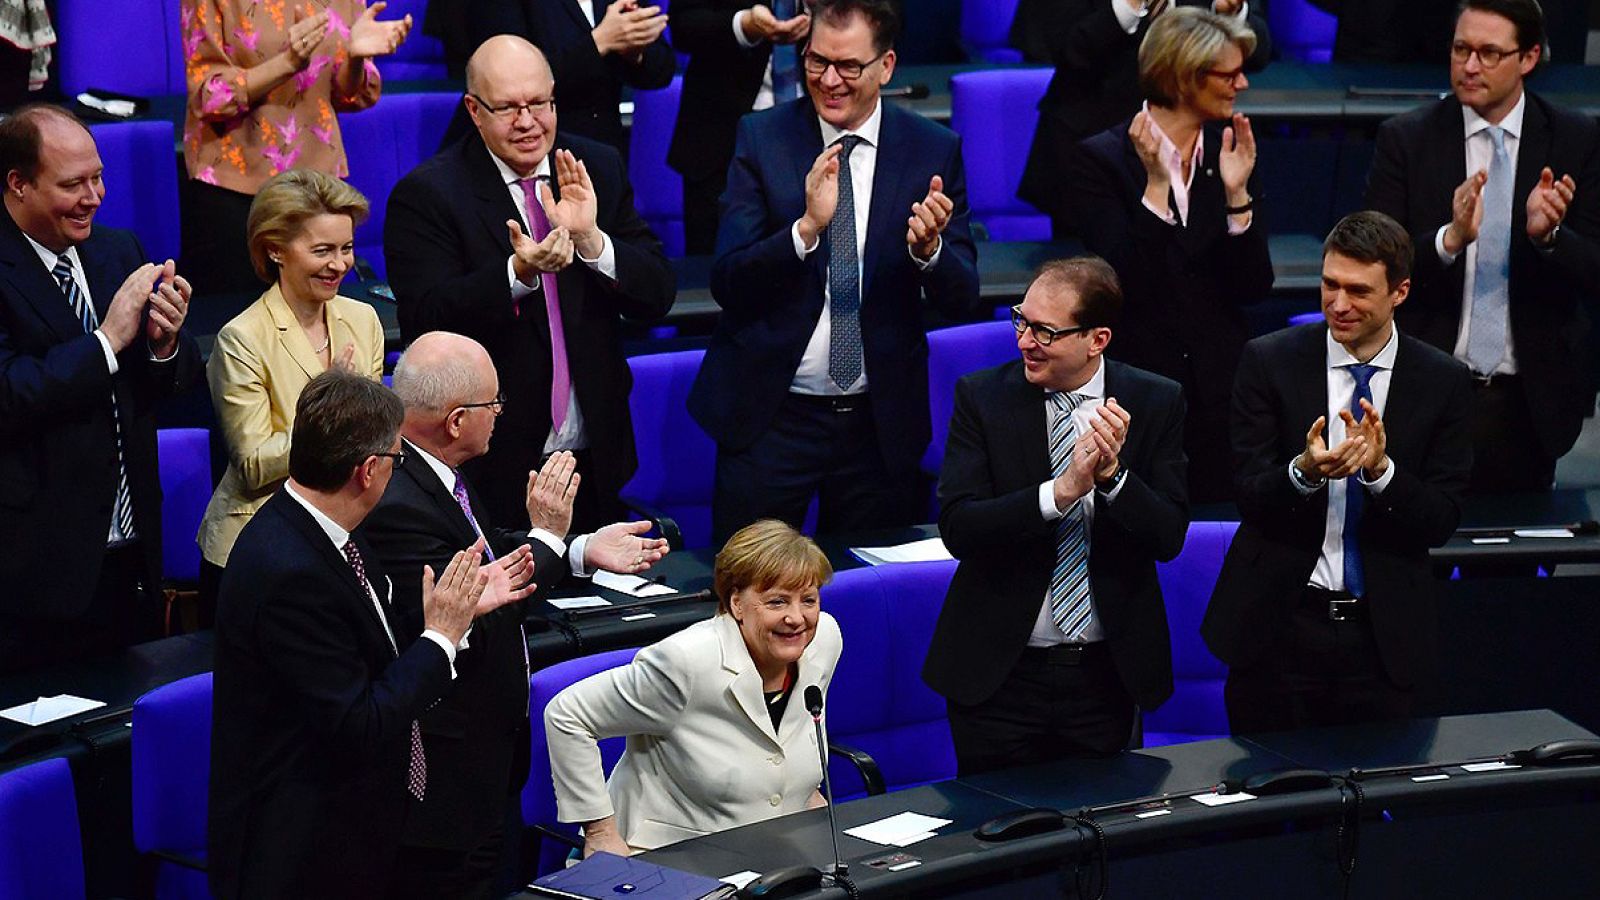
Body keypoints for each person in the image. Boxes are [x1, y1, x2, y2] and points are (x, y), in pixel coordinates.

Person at [361, 331, 668, 899]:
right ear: (456, 421)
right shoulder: (397, 501)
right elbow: (475, 609)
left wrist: (578, 549)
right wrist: (548, 538)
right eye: (493, 403)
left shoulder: (429, 472)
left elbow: (484, 549)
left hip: (485, 765)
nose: (501, 413)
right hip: (444, 784)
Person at [208, 369, 517, 899]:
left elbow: (369, 650)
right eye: (398, 460)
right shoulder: (290, 570)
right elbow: (358, 721)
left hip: (354, 833)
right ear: (370, 470)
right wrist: (440, 638)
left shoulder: (334, 537)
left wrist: (448, 620)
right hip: (303, 858)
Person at [690, 0, 982, 545]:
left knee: (870, 597)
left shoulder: (931, 151)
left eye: (848, 66)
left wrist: (929, 252)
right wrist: (803, 231)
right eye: (816, 61)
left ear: (887, 66)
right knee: (748, 594)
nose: (829, 80)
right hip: (772, 419)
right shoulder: (762, 138)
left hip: (878, 427)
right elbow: (727, 279)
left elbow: (964, 293)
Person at [385, 35, 675, 534]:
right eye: (508, 108)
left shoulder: (594, 167)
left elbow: (657, 292)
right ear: (474, 110)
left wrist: (592, 240)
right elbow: (425, 319)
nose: (527, 121)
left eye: (539, 103)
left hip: (595, 452)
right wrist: (517, 275)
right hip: (494, 461)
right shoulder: (428, 194)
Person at [1202, 211, 1473, 734]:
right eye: (1329, 285)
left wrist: (1382, 472)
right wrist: (1303, 471)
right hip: (1278, 630)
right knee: (1270, 803)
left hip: (1383, 637)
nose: (1339, 304)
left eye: (1358, 290)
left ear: (1400, 291)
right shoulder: (1268, 361)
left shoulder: (1443, 382)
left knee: (1371, 803)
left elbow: (1442, 518)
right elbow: (1250, 496)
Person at [922, 257, 1188, 776]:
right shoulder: (982, 397)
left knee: (1095, 840)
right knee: (996, 842)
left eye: (1045, 331)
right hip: (1000, 677)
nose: (1024, 341)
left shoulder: (1155, 401)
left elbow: (1169, 535)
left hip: (1104, 680)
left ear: (1098, 339)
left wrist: (1113, 480)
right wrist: (1060, 493)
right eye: (1022, 320)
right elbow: (959, 526)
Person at [1364, 0, 1600, 495]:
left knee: (1512, 568)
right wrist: (1448, 240)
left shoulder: (1577, 140)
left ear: (1529, 58)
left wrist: (1550, 238)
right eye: (1461, 49)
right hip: (1427, 392)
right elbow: (1373, 265)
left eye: (1489, 53)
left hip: (1529, 403)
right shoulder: (1405, 139)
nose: (1470, 66)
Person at [0, 104, 201, 674]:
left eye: (98, 176)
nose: (95, 196)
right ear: (18, 184)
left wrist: (164, 344)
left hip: (132, 555)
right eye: (73, 184)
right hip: (36, 570)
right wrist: (108, 341)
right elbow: (9, 392)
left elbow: (169, 381)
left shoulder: (118, 250)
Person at [1060, 6, 1273, 505]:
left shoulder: (1231, 151)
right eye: (1228, 73)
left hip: (1219, 397)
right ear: (1183, 77)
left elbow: (1252, 287)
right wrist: (1155, 190)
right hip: (1137, 398)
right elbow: (1123, 285)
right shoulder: (1100, 160)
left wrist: (1237, 198)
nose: (1241, 83)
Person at [546, 519, 840, 854]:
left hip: (773, 848)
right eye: (777, 602)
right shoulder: (686, 662)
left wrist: (802, 795)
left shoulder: (822, 640)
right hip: (671, 854)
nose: (797, 617)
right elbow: (566, 715)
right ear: (736, 604)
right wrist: (600, 833)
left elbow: (783, 740)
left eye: (809, 600)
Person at [197, 169, 385, 617]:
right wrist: (333, 408)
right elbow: (254, 464)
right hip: (259, 547)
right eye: (322, 251)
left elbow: (375, 439)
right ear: (275, 250)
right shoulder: (242, 338)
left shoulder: (364, 320)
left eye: (347, 248)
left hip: (346, 534)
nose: (339, 265)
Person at [180, 0, 412, 295]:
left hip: (318, 187)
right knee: (237, 320)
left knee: (315, 321)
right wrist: (288, 62)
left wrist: (355, 59)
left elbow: (347, 95)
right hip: (235, 188)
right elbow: (207, 96)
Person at [1015, 0, 1271, 240]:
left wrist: (1230, 13)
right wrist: (1128, 6)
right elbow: (1051, 45)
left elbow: (1259, 51)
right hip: (1089, 152)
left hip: (1201, 156)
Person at [669, 0, 813, 254]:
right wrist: (743, 25)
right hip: (719, 143)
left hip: (819, 131)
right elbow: (683, 26)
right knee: (712, 276)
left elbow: (886, 16)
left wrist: (828, 10)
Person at [460, 0, 674, 155]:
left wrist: (635, 54)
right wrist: (600, 41)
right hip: (528, 149)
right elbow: (505, 76)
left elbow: (661, 69)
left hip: (603, 152)